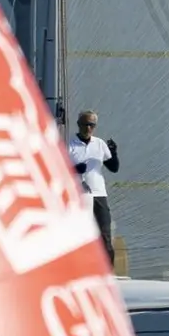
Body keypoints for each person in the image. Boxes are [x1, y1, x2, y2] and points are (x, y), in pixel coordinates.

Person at [68, 109, 120, 262]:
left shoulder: (99, 143)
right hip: (78, 195)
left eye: (92, 125)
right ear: (78, 124)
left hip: (98, 194)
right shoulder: (69, 144)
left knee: (104, 235)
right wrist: (74, 169)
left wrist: (114, 153)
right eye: (85, 124)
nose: (88, 128)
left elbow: (114, 168)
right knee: (78, 236)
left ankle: (108, 271)